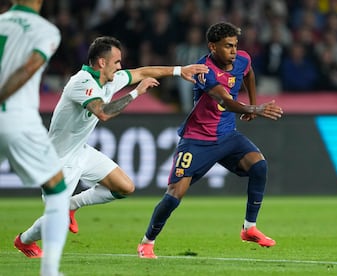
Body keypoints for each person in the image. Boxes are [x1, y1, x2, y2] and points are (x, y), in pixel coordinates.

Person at [15, 36, 209, 253]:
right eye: (117, 62)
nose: (120, 66)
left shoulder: (111, 79)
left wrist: (179, 70)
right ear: (101, 63)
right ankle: (24, 240)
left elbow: (142, 72)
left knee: (125, 187)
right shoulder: (81, 83)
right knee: (56, 219)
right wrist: (136, 92)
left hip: (80, 151)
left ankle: (72, 204)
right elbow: (103, 112)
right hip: (57, 161)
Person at [137, 22, 283, 259]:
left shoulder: (243, 59)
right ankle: (147, 242)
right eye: (228, 46)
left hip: (227, 136)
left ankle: (249, 228)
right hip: (197, 140)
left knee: (259, 165)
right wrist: (254, 108)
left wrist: (251, 104)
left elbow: (249, 74)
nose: (234, 51)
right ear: (212, 47)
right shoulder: (203, 70)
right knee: (175, 194)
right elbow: (224, 100)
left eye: (235, 45)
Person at [0, 1, 69, 275]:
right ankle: (49, 271)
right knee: (57, 191)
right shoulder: (46, 30)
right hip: (17, 118)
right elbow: (29, 68)